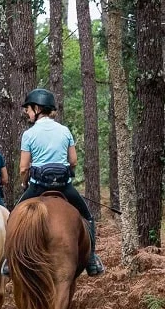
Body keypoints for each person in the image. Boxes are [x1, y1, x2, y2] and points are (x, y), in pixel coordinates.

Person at [17, 88, 105, 276]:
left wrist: (25, 184)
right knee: (87, 217)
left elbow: (23, 168)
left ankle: (9, 259)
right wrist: (67, 175)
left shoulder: (29, 134)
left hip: (38, 186)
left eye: (29, 109)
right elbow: (73, 161)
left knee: (13, 216)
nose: (27, 112)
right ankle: (91, 259)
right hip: (63, 186)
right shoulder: (65, 131)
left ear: (38, 108)